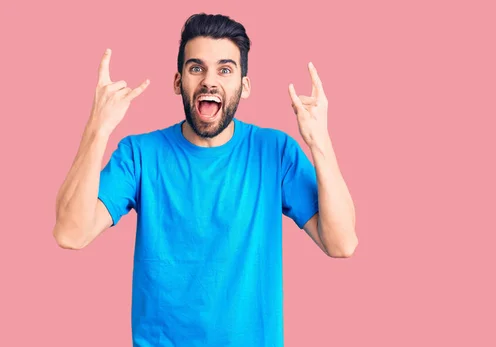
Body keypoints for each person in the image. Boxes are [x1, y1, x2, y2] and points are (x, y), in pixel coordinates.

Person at [52, 12, 357, 347]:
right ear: (178, 80)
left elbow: (341, 243)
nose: (209, 81)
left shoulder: (276, 152)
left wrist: (320, 142)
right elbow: (71, 233)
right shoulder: (139, 154)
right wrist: (99, 127)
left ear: (244, 85)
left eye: (225, 69)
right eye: (196, 68)